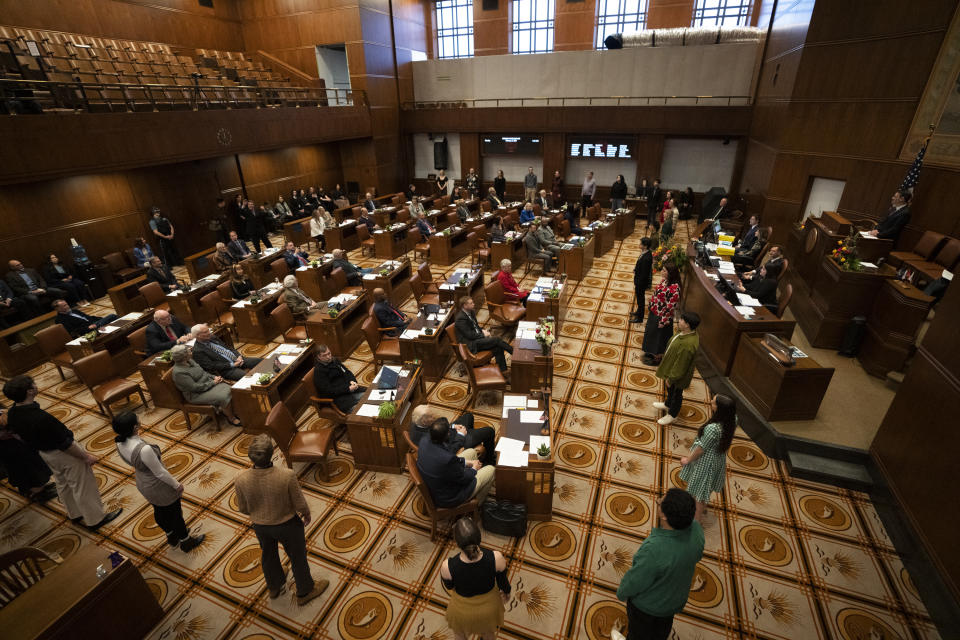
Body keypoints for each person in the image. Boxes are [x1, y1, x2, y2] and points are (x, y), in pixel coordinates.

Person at [3, 375, 122, 529]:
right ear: (30, 391)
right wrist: (85, 457)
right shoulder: (41, 418)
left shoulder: (12, 413)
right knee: (83, 485)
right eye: (34, 384)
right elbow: (65, 444)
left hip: (45, 454)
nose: (36, 385)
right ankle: (95, 519)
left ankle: (75, 513)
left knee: (63, 483)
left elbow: (17, 435)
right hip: (64, 454)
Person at [234, 434, 329, 605]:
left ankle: (274, 586)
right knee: (297, 556)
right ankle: (305, 591)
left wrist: (260, 514)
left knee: (268, 555)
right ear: (272, 453)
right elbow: (299, 503)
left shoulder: (240, 478)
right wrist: (306, 513)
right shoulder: (286, 475)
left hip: (260, 526)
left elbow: (242, 508)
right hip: (287, 525)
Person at [614, 488, 704, 640]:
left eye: (660, 502)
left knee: (638, 634)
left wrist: (622, 592)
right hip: (673, 603)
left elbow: (636, 579)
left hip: (645, 607)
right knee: (660, 632)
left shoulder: (654, 549)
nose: (658, 502)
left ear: (663, 515)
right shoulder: (696, 531)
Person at [112, 411, 205, 551]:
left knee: (159, 511)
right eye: (138, 420)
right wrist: (177, 485)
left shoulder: (119, 443)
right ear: (135, 428)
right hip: (158, 486)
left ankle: (171, 536)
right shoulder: (144, 450)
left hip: (142, 482)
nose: (140, 420)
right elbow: (160, 473)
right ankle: (186, 541)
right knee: (175, 514)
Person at [441, 517, 510, 640]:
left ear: (457, 542)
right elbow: (504, 584)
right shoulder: (497, 557)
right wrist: (507, 593)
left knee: (459, 635)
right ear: (479, 537)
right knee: (489, 634)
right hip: (489, 610)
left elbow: (450, 587)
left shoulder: (447, 566)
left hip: (461, 612)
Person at [679, 395, 737, 521]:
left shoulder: (713, 428)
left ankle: (695, 522)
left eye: (714, 402)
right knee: (705, 488)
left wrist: (687, 460)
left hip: (706, 463)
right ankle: (698, 508)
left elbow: (700, 449)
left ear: (720, 409)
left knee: (699, 494)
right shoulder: (733, 419)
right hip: (718, 460)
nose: (711, 402)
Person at [417, 418, 495, 508]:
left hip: (435, 483)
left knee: (471, 452)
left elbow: (449, 457)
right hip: (450, 497)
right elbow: (464, 478)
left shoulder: (424, 440)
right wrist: (474, 469)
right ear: (447, 435)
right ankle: (477, 506)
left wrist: (466, 462)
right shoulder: (447, 460)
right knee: (491, 470)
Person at [170, 345, 241, 428]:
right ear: (184, 356)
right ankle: (231, 418)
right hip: (196, 394)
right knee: (223, 396)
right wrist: (213, 383)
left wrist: (213, 377)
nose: (191, 352)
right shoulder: (179, 373)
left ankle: (232, 410)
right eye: (189, 351)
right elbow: (194, 387)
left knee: (231, 389)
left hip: (207, 384)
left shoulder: (190, 361)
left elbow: (203, 372)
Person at [0, 401, 57, 502]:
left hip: (13, 439)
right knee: (21, 467)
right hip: (6, 446)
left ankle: (40, 486)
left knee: (33, 460)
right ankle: (34, 492)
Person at [653, 311, 700, 426]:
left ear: (688, 325)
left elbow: (681, 366)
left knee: (676, 394)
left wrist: (671, 378)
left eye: (682, 320)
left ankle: (672, 415)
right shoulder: (684, 332)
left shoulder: (688, 345)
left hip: (677, 376)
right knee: (671, 391)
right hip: (671, 368)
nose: (679, 320)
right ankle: (668, 404)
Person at [455, 296, 513, 374]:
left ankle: (503, 372)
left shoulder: (471, 311)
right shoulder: (460, 319)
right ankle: (513, 352)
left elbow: (475, 325)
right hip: (470, 344)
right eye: (471, 303)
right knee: (496, 340)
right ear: (465, 306)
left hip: (476, 338)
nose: (474, 304)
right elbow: (470, 335)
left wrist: (482, 330)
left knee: (498, 347)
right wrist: (483, 334)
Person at [642, 262, 681, 365]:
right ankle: (651, 353)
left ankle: (657, 358)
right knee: (651, 334)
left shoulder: (674, 288)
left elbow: (670, 307)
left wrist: (663, 321)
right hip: (655, 312)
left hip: (662, 317)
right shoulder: (665, 281)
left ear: (670, 273)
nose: (661, 272)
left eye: (664, 270)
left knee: (659, 338)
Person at [191, 324, 262, 381]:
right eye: (205, 332)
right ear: (197, 335)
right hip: (227, 369)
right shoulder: (198, 351)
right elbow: (211, 366)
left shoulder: (212, 337)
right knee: (249, 378)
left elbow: (228, 347)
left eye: (208, 330)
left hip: (238, 359)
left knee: (262, 362)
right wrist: (232, 365)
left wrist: (238, 356)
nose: (209, 333)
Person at [312, 344, 365, 412]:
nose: (328, 357)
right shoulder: (319, 372)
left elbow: (346, 372)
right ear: (318, 357)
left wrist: (352, 381)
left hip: (348, 390)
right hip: (338, 399)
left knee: (371, 394)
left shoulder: (334, 360)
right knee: (361, 410)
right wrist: (347, 389)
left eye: (329, 353)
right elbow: (329, 391)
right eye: (324, 355)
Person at [53, 299, 118, 337]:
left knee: (110, 318)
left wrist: (101, 319)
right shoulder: (60, 320)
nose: (67, 306)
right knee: (112, 316)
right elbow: (73, 331)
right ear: (58, 309)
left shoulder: (74, 311)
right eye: (64, 306)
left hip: (94, 324)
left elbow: (88, 317)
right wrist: (88, 328)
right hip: (86, 331)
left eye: (67, 304)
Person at [632, 237, 653, 324]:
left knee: (641, 299)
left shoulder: (647, 258)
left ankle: (639, 318)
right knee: (639, 298)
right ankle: (638, 312)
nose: (639, 245)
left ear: (645, 246)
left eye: (641, 243)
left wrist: (638, 283)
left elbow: (644, 274)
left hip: (641, 282)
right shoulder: (645, 253)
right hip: (639, 280)